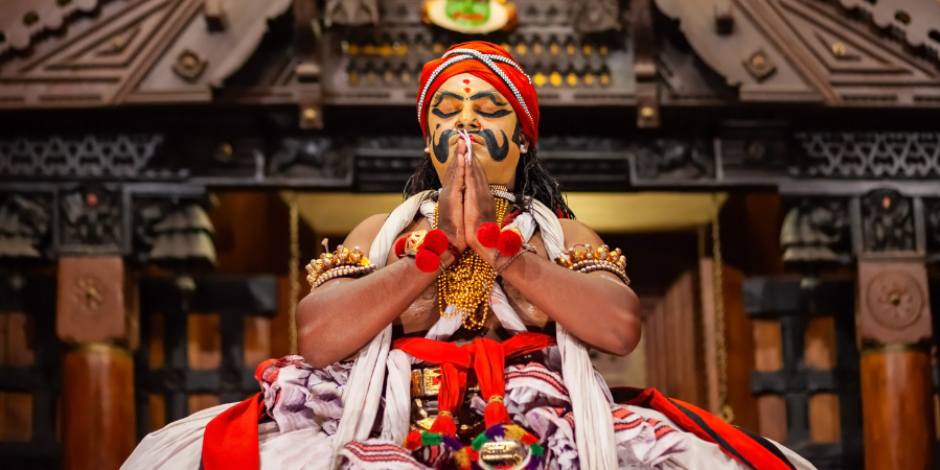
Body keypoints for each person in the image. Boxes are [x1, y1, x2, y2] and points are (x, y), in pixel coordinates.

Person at [124, 42, 815, 470]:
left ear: (523, 137)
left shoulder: (560, 233)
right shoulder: (384, 228)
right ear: (427, 142)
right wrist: (433, 253)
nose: (467, 122)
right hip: (392, 420)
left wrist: (502, 252)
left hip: (540, 427)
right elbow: (319, 335)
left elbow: (618, 328)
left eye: (488, 108)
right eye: (448, 112)